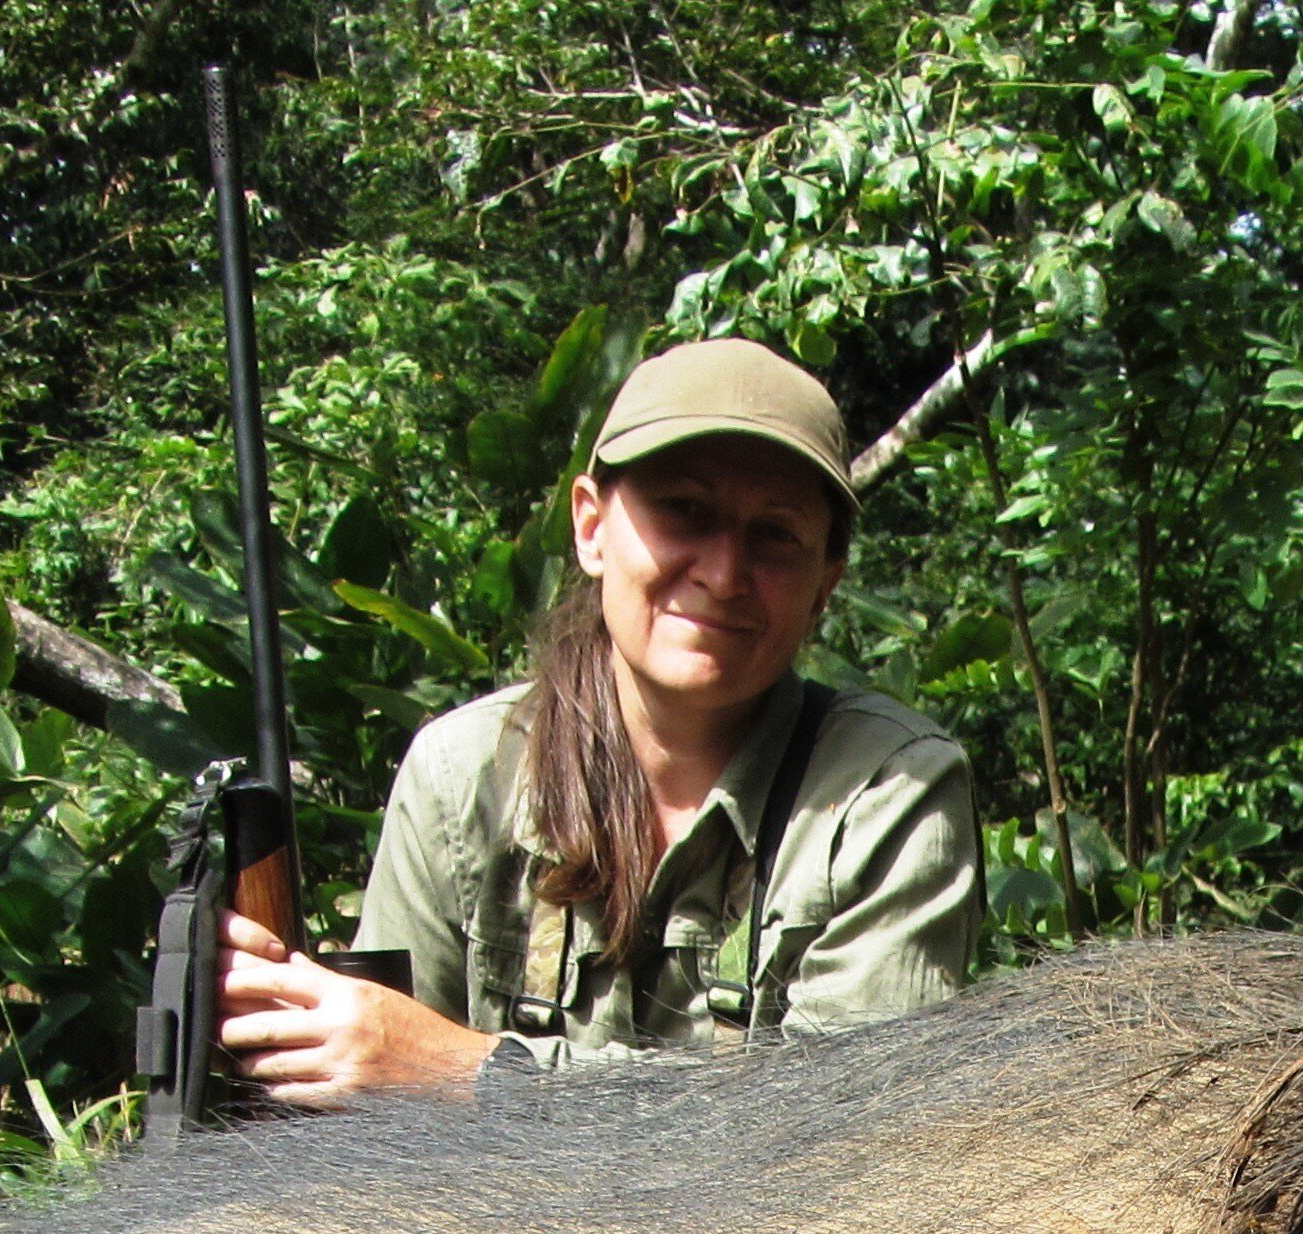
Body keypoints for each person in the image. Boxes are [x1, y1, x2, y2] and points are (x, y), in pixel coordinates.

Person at [213, 339, 983, 1096]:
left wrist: (468, 1072)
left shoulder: (889, 793)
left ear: (824, 583)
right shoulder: (461, 777)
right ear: (590, 527)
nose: (721, 574)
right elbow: (370, 1107)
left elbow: (839, 1140)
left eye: (775, 536)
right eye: (684, 512)